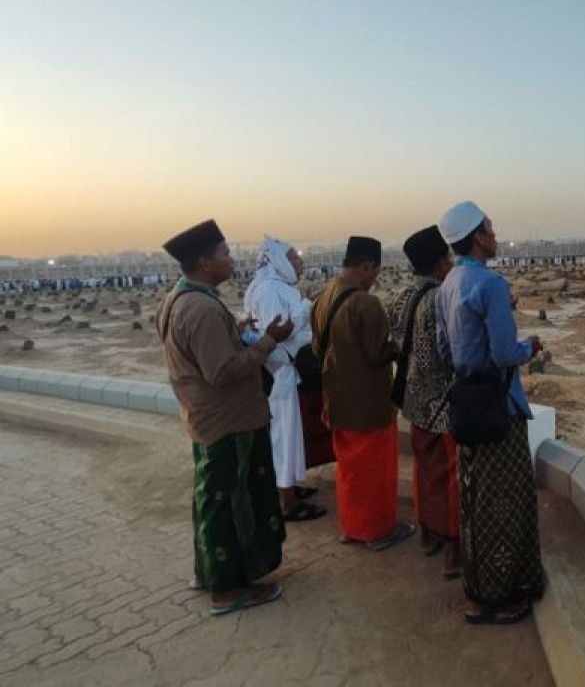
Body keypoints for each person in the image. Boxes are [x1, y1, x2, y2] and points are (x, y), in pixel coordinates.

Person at [156, 219, 291, 616]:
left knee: (211, 499)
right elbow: (222, 371)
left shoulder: (180, 298)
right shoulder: (200, 308)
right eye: (225, 254)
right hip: (228, 423)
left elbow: (200, 354)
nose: (231, 260)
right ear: (204, 261)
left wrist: (236, 329)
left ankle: (211, 572)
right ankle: (229, 589)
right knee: (231, 504)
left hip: (206, 419)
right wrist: (269, 341)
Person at [435, 201, 544, 625]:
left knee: (476, 500)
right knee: (507, 500)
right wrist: (530, 346)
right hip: (499, 407)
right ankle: (497, 597)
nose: (496, 235)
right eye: (491, 228)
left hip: (467, 406)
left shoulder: (448, 284)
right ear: (479, 237)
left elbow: (446, 351)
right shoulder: (490, 285)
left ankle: (478, 586)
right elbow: (503, 352)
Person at [312, 236, 415, 552]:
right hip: (368, 405)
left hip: (337, 400)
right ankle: (376, 531)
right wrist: (399, 345)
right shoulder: (366, 304)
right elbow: (377, 353)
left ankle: (352, 527)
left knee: (349, 470)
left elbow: (317, 346)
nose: (374, 279)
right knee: (374, 471)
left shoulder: (323, 296)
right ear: (366, 266)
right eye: (375, 272)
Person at [388, 226, 460, 580]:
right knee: (451, 477)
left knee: (425, 471)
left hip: (413, 404)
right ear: (438, 265)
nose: (451, 264)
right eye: (448, 259)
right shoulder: (442, 299)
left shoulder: (401, 299)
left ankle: (428, 535)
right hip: (444, 406)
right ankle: (453, 548)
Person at [243, 237, 325, 522]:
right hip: (280, 374)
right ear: (278, 262)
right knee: (283, 437)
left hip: (287, 373)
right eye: (294, 258)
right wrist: (310, 306)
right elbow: (279, 331)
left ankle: (289, 486)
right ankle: (287, 501)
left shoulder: (277, 287)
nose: (300, 262)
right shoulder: (268, 290)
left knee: (290, 435)